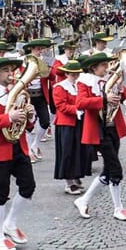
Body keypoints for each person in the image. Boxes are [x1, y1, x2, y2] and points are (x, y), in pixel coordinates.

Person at [0, 57, 36, 250]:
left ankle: (10, 223)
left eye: (12, 70)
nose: (11, 74)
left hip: (18, 146)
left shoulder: (16, 92)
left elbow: (25, 124)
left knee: (28, 186)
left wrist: (30, 115)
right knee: (1, 193)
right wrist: (8, 117)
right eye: (6, 70)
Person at [74, 52, 126, 221]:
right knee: (115, 169)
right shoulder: (85, 81)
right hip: (98, 129)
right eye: (103, 66)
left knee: (108, 169)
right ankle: (118, 208)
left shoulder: (110, 79)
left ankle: (83, 200)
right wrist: (104, 99)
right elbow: (80, 103)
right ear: (94, 68)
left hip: (113, 127)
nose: (106, 69)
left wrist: (121, 87)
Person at [52, 60, 88, 196]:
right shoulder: (59, 87)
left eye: (77, 74)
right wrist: (77, 109)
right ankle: (69, 181)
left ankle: (76, 174)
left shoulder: (80, 86)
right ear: (66, 74)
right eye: (72, 75)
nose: (75, 77)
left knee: (78, 150)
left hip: (79, 122)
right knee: (67, 152)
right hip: (65, 123)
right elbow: (60, 105)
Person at [21, 39, 54, 163]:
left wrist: (48, 68)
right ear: (31, 49)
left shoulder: (44, 61)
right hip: (28, 95)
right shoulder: (24, 61)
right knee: (28, 125)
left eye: (40, 49)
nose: (39, 51)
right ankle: (29, 151)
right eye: (37, 49)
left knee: (45, 121)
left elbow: (51, 76)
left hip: (40, 94)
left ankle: (35, 144)